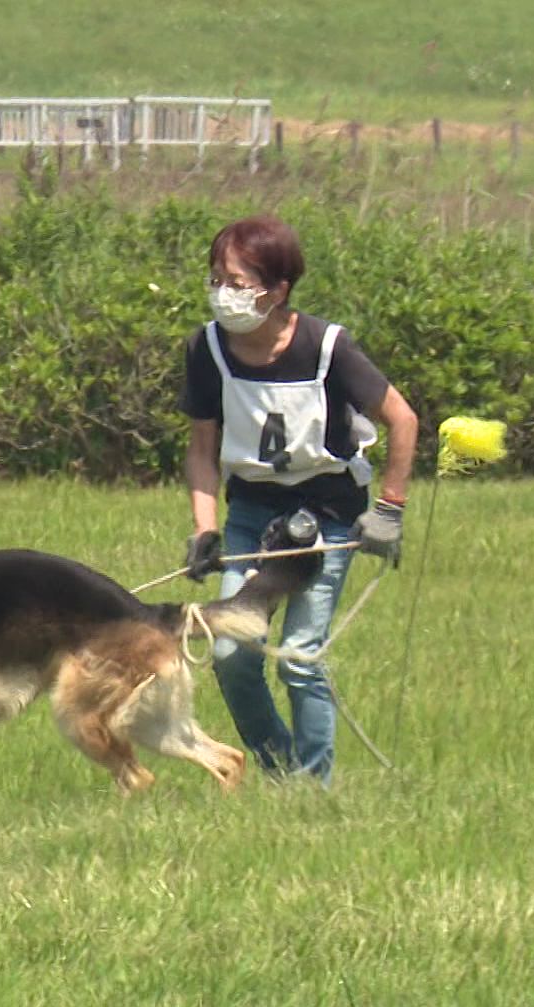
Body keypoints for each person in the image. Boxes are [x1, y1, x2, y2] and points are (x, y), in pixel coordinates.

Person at [177, 213, 418, 784]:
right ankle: (282, 773)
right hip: (252, 514)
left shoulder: (327, 347)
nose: (224, 293)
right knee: (232, 656)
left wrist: (389, 510)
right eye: (217, 280)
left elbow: (403, 419)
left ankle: (313, 789)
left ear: (278, 290)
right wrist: (205, 529)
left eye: (238, 283)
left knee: (301, 657)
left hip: (329, 516)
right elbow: (202, 448)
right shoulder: (206, 349)